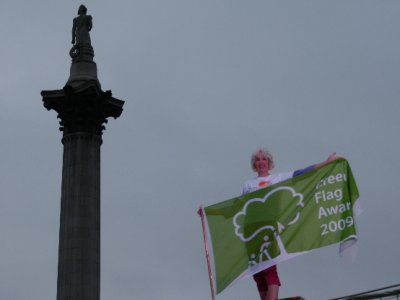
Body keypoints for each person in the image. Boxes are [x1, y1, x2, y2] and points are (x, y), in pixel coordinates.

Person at [242, 148, 337, 300]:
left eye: (264, 159)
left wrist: (326, 162)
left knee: (269, 267)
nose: (261, 162)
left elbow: (302, 172)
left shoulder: (278, 178)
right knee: (257, 272)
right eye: (258, 160)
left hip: (268, 226)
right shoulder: (247, 184)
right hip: (250, 230)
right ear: (254, 164)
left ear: (269, 163)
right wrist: (209, 213)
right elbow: (239, 208)